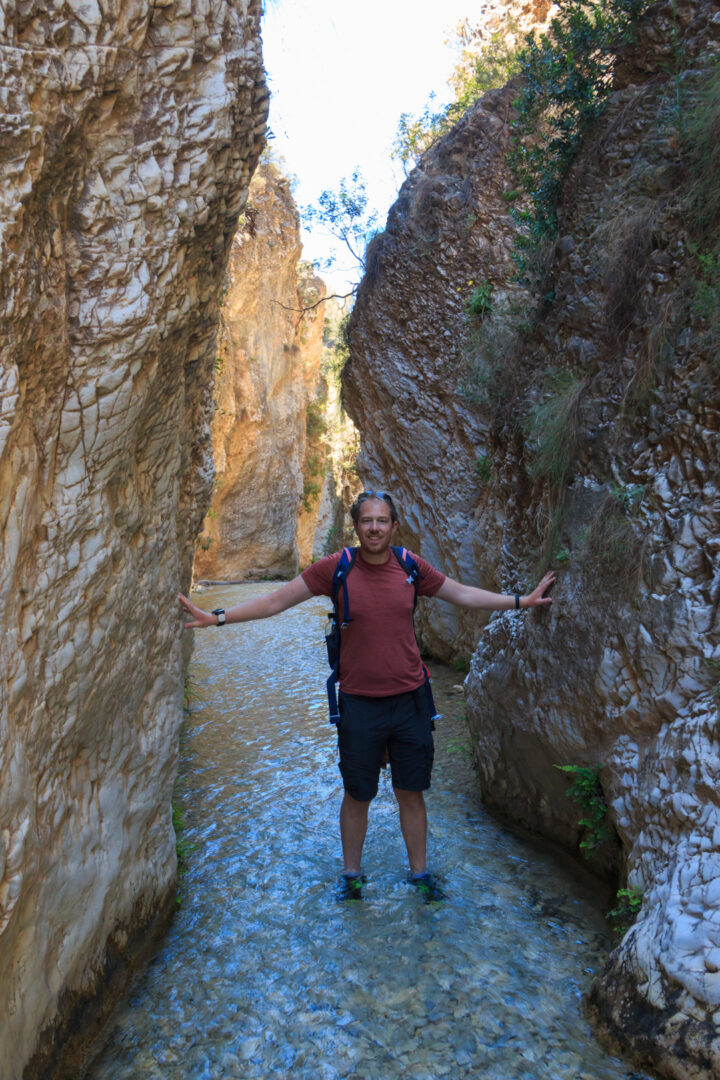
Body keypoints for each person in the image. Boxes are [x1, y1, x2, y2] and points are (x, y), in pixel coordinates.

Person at [178, 490, 555, 902]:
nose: (374, 528)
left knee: (411, 793)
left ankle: (419, 874)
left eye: (382, 521)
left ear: (394, 526)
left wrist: (522, 602)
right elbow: (275, 601)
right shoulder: (335, 569)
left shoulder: (411, 568)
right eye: (367, 521)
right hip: (358, 703)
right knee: (358, 793)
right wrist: (216, 617)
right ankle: (352, 875)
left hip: (410, 700)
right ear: (356, 526)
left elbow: (461, 594)